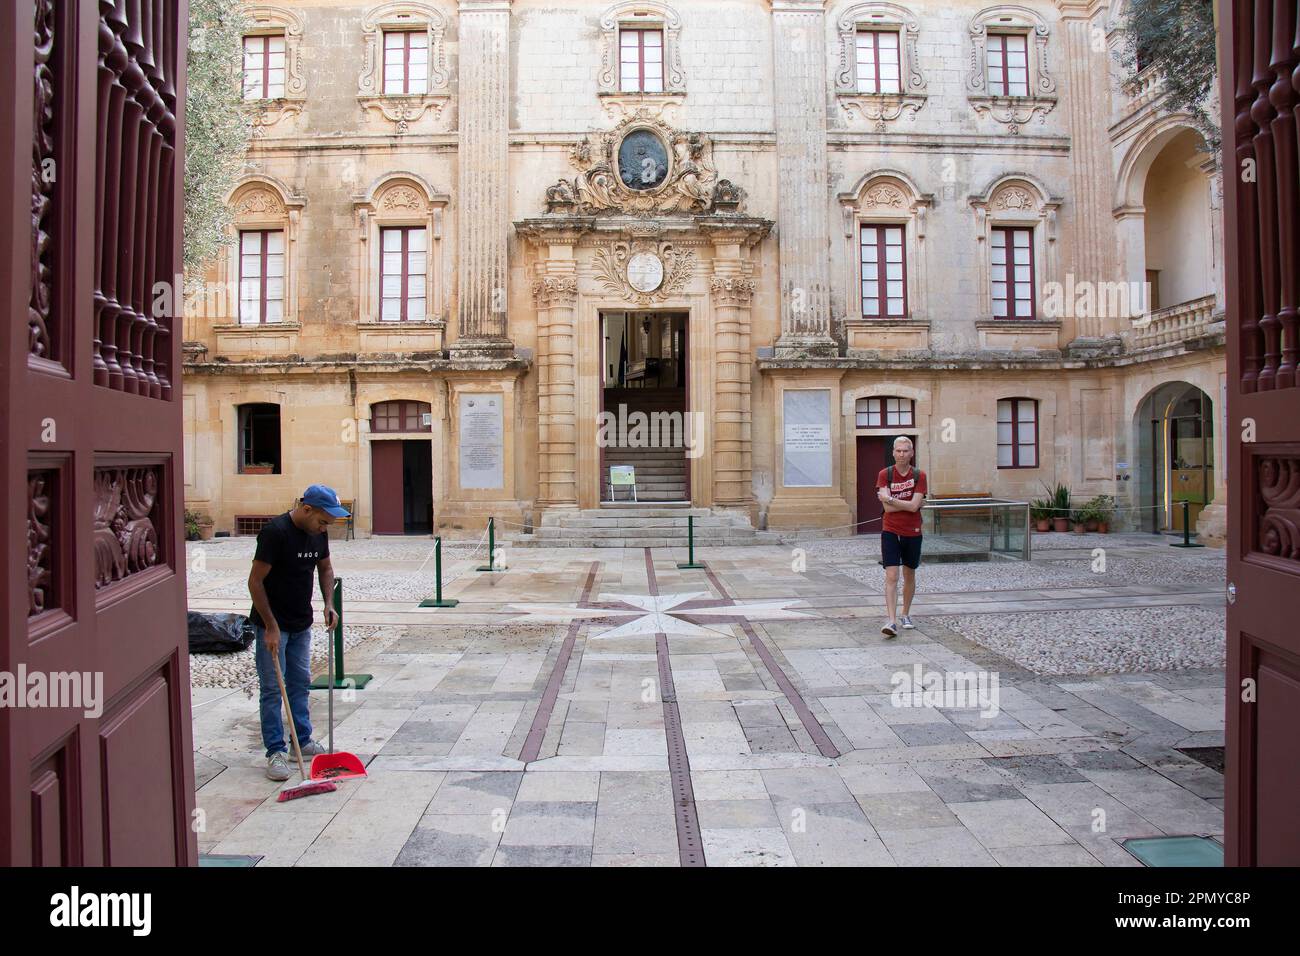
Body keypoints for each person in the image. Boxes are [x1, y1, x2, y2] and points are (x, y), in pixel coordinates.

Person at [247, 485, 350, 780]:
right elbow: (255, 582)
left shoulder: (319, 531)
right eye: (322, 521)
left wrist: (328, 603)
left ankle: (301, 741)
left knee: (299, 683)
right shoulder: (275, 533)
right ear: (307, 510)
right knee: (272, 689)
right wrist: (270, 626)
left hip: (301, 622)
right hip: (272, 623)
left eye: (327, 524)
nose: (323, 528)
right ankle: (275, 751)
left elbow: (326, 568)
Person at [876, 436, 927, 637]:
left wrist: (892, 499)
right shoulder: (885, 474)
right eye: (898, 450)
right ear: (893, 452)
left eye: (906, 451)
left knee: (909, 574)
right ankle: (891, 620)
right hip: (890, 530)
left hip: (913, 531)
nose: (902, 454)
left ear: (912, 452)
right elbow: (886, 508)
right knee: (892, 575)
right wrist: (907, 504)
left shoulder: (919, 475)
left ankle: (905, 613)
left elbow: (914, 506)